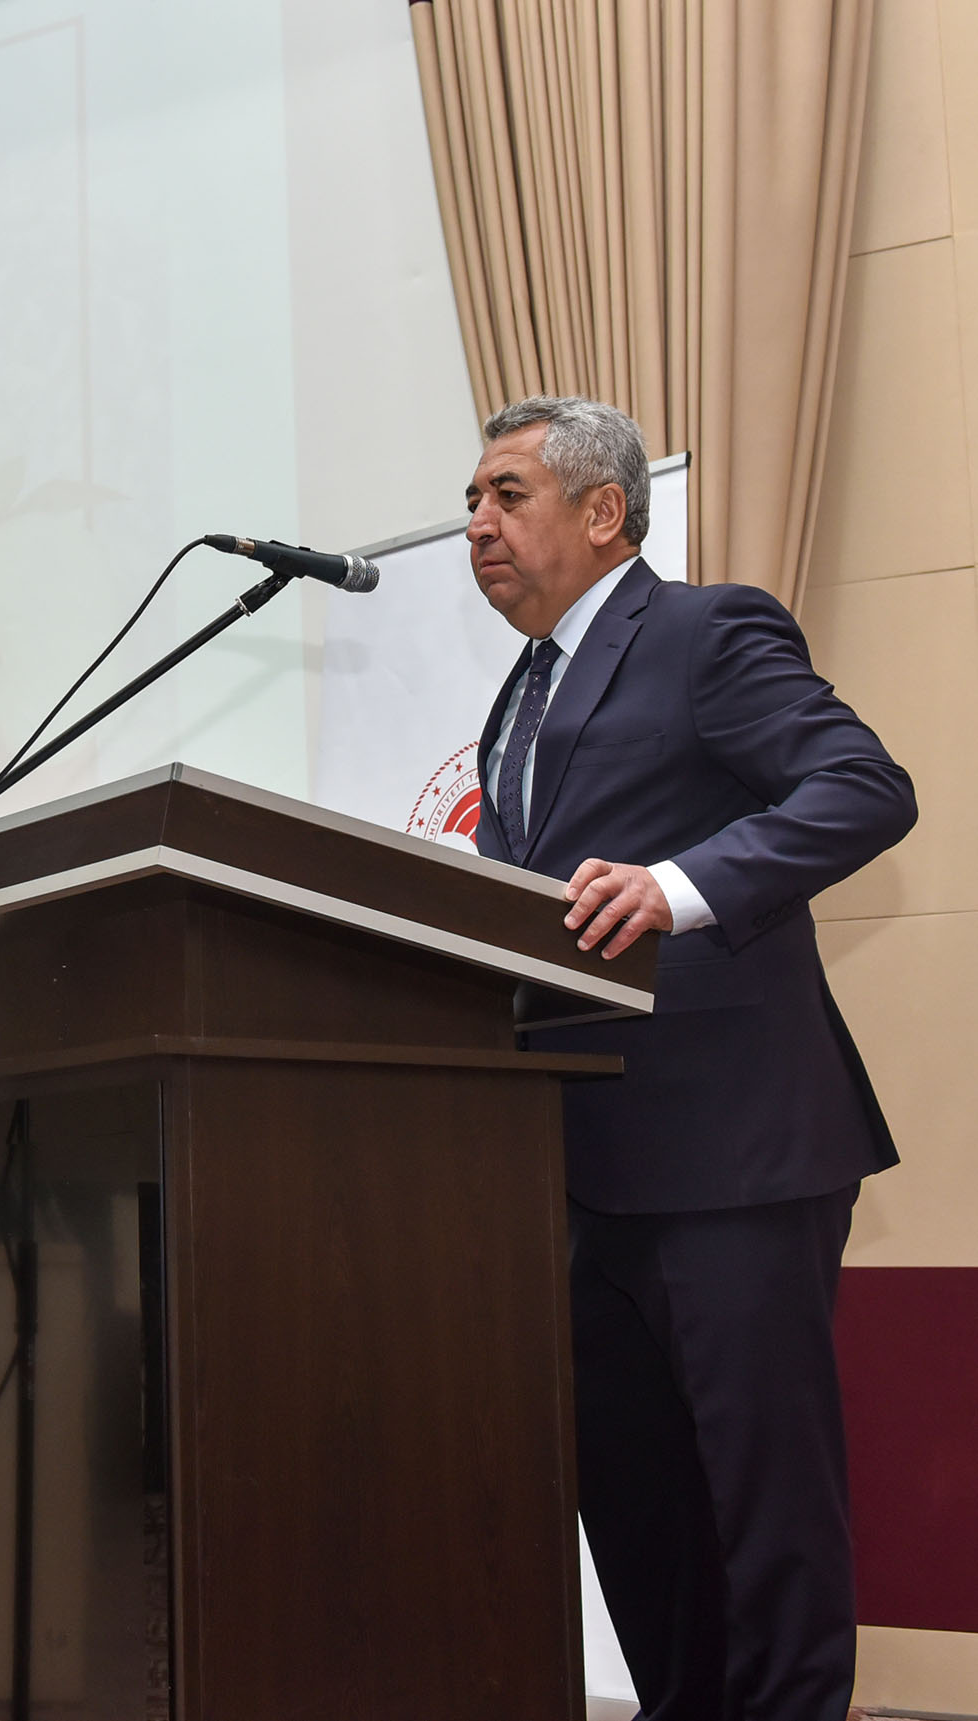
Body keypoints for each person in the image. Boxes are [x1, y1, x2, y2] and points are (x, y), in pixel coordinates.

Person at [463, 395, 915, 1721]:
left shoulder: (706, 633)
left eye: (506, 495)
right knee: (641, 1504)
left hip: (731, 1156)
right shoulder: (521, 694)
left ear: (604, 511)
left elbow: (863, 786)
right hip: (580, 1166)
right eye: (472, 502)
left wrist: (679, 886)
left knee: (762, 1503)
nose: (477, 524)